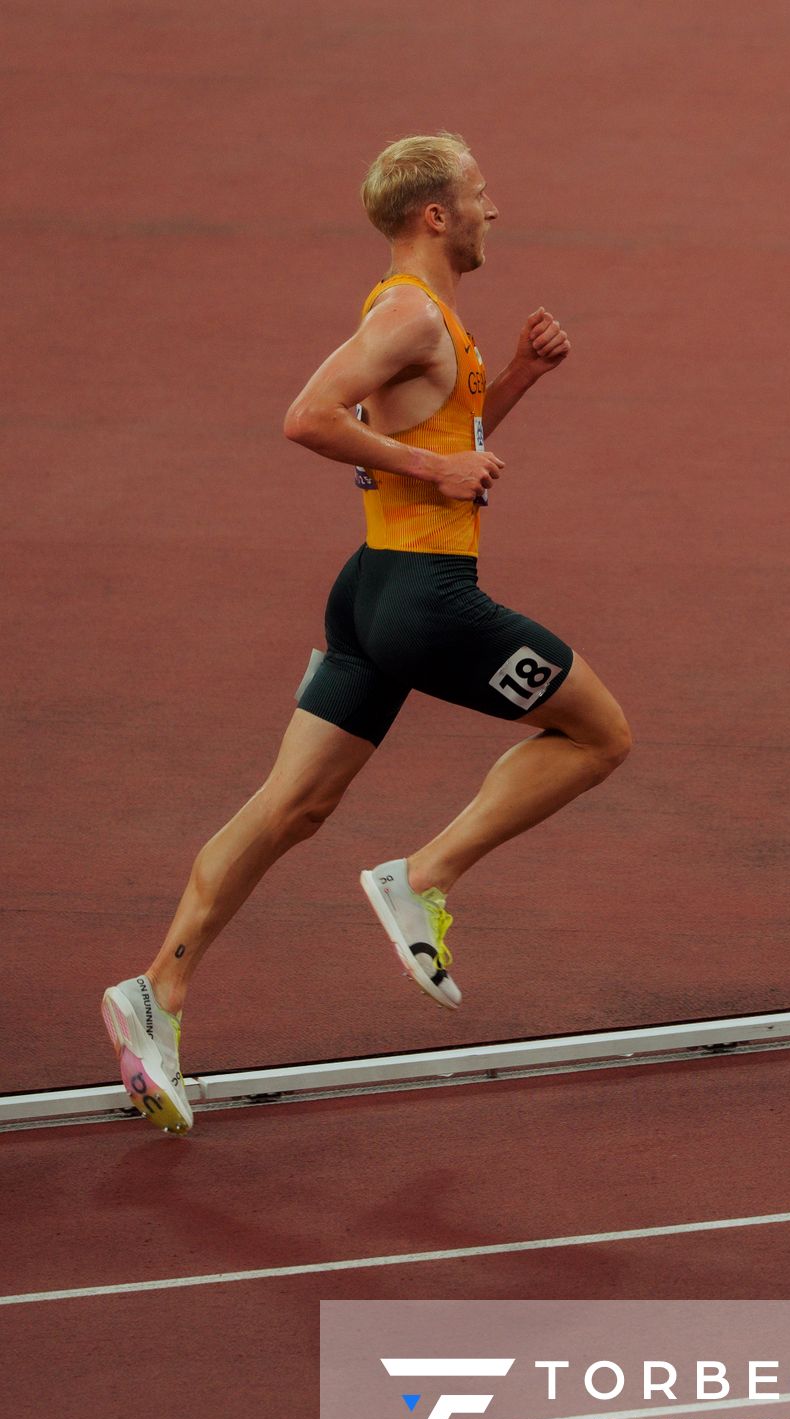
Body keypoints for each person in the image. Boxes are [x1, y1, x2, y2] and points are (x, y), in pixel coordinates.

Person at [101, 132, 631, 1135]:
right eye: (478, 195)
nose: (492, 210)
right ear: (435, 215)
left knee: (289, 808)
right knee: (599, 735)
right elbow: (308, 417)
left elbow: (434, 439)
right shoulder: (405, 312)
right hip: (426, 603)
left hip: (371, 595)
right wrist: (438, 476)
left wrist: (514, 378)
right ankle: (421, 876)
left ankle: (155, 994)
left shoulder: (430, 322)